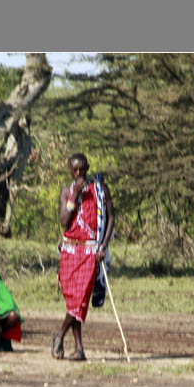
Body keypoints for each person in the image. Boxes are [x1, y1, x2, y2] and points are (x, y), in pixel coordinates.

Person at [53, 152, 115, 361]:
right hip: (70, 251)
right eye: (75, 169)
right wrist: (74, 196)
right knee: (74, 301)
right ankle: (79, 348)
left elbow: (111, 218)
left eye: (83, 169)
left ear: (88, 167)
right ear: (70, 170)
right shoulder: (66, 192)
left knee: (80, 299)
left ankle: (59, 336)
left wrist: (104, 245)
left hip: (91, 252)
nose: (79, 173)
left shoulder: (100, 190)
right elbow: (64, 221)